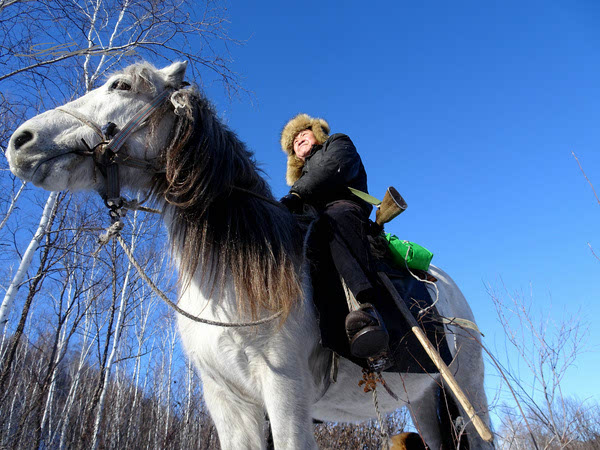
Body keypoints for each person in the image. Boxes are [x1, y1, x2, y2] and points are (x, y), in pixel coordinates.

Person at [279, 113, 389, 360]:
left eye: (303, 133)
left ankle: (368, 310)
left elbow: (334, 168)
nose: (298, 139)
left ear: (317, 133)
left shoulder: (338, 143)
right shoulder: (300, 183)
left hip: (345, 210)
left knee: (334, 217)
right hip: (314, 221)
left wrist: (296, 195)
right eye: (293, 141)